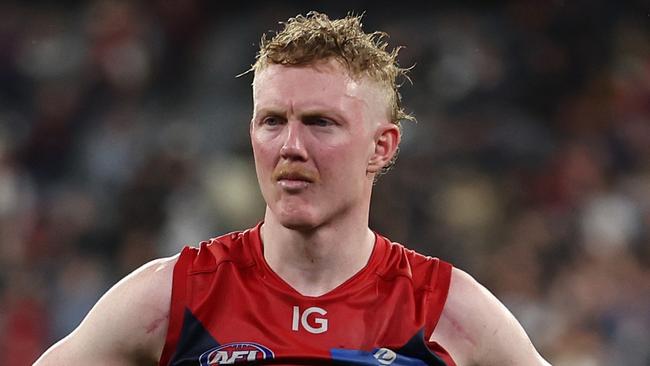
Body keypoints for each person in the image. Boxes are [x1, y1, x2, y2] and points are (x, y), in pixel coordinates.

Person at [35, 11, 550, 366]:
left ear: (382, 147)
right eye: (272, 121)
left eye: (321, 123)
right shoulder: (175, 297)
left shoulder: (444, 308)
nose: (290, 146)